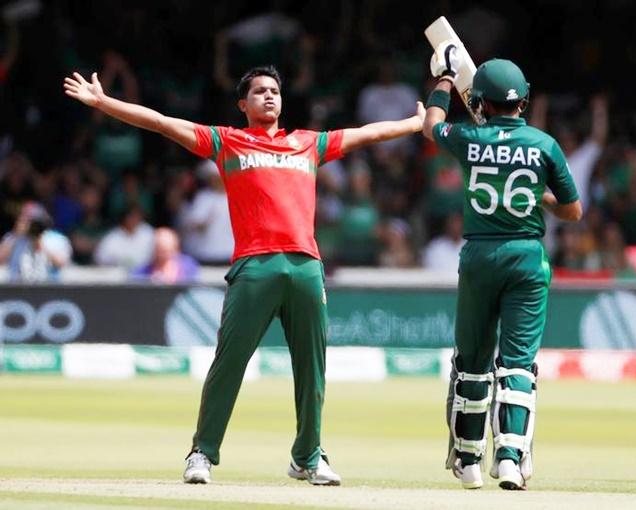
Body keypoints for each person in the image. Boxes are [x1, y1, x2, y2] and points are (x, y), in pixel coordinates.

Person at [64, 64, 425, 486]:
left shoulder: (307, 144)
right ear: (243, 104)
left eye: (274, 91)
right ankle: (202, 453)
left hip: (306, 265)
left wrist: (414, 123)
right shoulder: (227, 141)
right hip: (254, 265)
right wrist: (105, 102)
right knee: (230, 363)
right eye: (258, 92)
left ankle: (308, 456)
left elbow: (367, 133)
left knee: (312, 368)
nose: (269, 97)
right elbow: (162, 123)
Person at [422, 48, 582, 490]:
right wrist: (537, 195)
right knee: (518, 364)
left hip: (478, 257)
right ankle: (510, 458)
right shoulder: (544, 145)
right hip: (527, 258)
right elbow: (573, 211)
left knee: (472, 361)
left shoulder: (470, 139)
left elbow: (431, 125)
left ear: (481, 103)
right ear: (524, 102)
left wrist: (445, 80)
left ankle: (469, 460)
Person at [0, 201, 72, 282]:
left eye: (34, 222)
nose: (31, 226)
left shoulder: (56, 239)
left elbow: (61, 263)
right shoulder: (13, 238)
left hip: (48, 289)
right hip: (17, 289)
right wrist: (16, 235)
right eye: (27, 220)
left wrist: (40, 242)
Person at [132, 227, 199, 284]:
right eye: (160, 250)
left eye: (167, 251)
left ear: (176, 249)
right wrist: (150, 284)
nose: (163, 255)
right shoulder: (142, 271)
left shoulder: (189, 266)